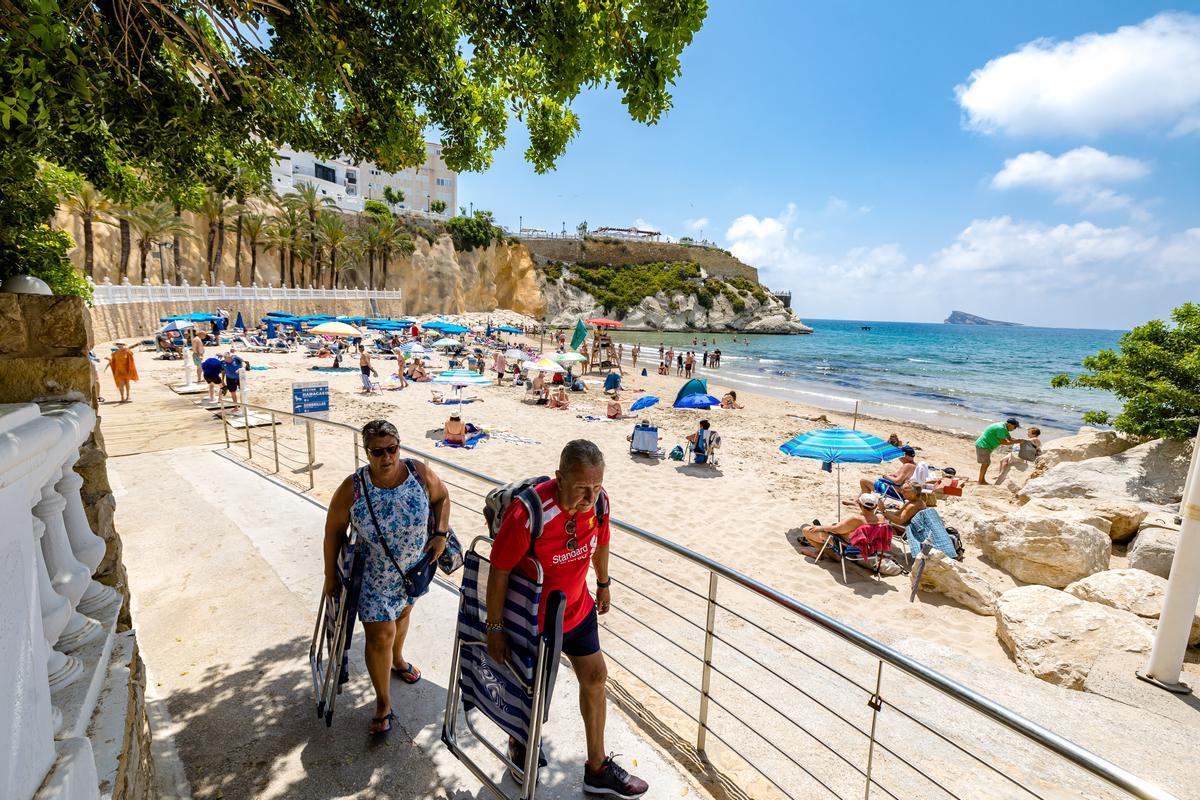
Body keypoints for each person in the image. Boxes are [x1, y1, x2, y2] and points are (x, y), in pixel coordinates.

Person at [488, 440, 649, 798]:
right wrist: (495, 627)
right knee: (533, 693)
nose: (590, 497)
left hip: (577, 609)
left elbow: (601, 540)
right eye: (581, 488)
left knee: (595, 677)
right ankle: (520, 743)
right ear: (560, 478)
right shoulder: (529, 513)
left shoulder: (600, 502)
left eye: (596, 486)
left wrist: (603, 583)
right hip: (534, 620)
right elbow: (498, 571)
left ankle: (597, 768)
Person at [323, 420, 450, 735]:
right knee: (380, 635)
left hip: (414, 571)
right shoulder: (352, 488)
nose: (386, 457)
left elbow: (442, 496)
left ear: (399, 447)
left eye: (392, 449)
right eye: (378, 452)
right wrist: (330, 576)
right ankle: (383, 702)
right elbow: (332, 533)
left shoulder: (418, 472)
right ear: (367, 452)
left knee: (404, 617)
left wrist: (441, 533)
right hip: (373, 579)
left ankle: (398, 659)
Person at [799, 493, 900, 575]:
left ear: (860, 505)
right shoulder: (881, 518)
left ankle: (827, 554)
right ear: (875, 506)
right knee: (835, 529)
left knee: (807, 530)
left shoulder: (856, 519)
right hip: (869, 548)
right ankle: (823, 551)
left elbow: (835, 530)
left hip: (847, 546)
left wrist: (821, 527)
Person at [975, 418, 1025, 485]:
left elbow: (1009, 438)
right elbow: (1004, 442)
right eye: (1015, 427)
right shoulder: (1001, 428)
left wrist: (1019, 440)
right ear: (1010, 424)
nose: (1015, 429)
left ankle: (981, 480)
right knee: (985, 463)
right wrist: (1017, 441)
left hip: (987, 446)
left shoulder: (1004, 427)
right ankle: (980, 481)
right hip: (984, 445)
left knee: (986, 463)